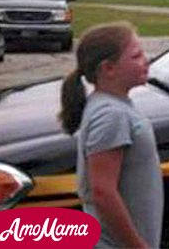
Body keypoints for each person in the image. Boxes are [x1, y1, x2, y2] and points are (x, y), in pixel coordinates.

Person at [59, 22, 163, 248]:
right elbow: (103, 193)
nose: (146, 59)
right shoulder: (111, 116)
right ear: (108, 69)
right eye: (136, 56)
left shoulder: (112, 105)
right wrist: (137, 246)